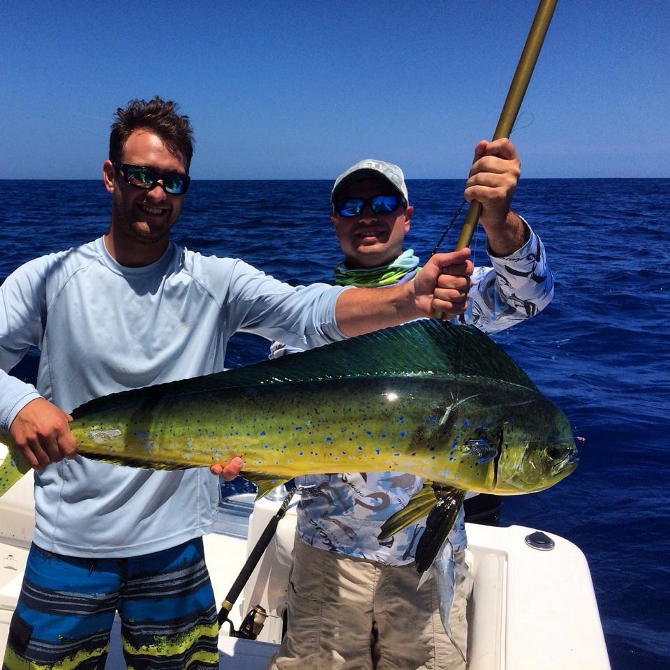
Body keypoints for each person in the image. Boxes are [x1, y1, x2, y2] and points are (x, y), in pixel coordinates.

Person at [0, 97, 475, 670]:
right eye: (141, 174)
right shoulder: (47, 278)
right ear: (110, 177)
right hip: (66, 547)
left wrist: (405, 299)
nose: (156, 192)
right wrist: (17, 402)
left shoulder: (214, 280)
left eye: (172, 181)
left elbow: (304, 312)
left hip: (174, 550)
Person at [268, 144, 554, 670]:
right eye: (351, 208)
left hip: (428, 557)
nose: (367, 217)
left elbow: (528, 295)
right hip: (326, 559)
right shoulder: (306, 317)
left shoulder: (452, 296)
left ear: (406, 215)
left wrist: (499, 219)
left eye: (381, 203)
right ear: (335, 221)